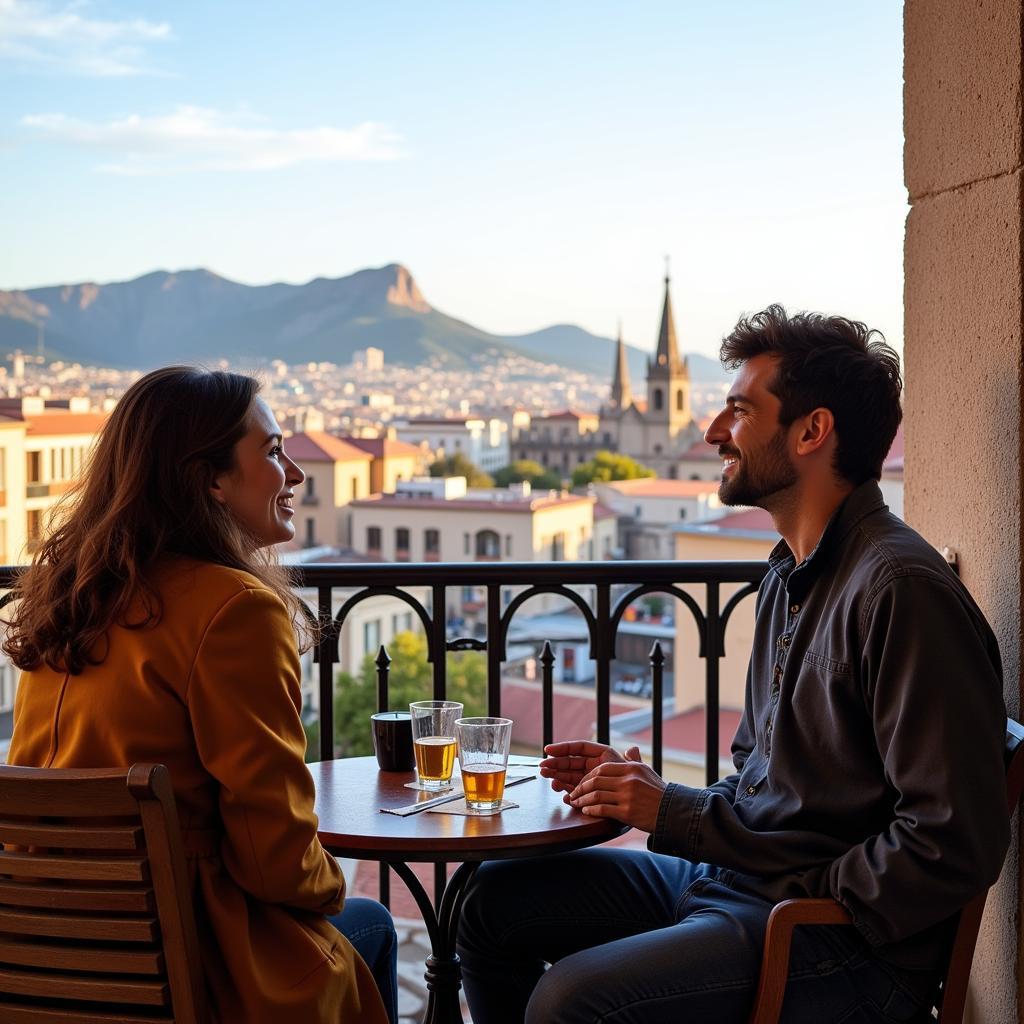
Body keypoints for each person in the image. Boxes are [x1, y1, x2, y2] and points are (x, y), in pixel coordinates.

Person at [456, 306, 1010, 1024]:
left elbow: (951, 842)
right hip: (742, 884)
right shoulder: (789, 575)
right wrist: (657, 798)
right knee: (490, 901)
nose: (715, 432)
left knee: (570, 1001)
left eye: (740, 411)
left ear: (812, 431)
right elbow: (762, 780)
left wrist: (805, 887)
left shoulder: (900, 592)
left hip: (833, 942)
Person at [5, 366, 397, 1024]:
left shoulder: (69, 599)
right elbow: (274, 859)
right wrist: (336, 878)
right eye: (273, 452)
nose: (294, 474)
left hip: (43, 957)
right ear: (210, 478)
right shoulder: (234, 609)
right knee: (370, 924)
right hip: (186, 962)